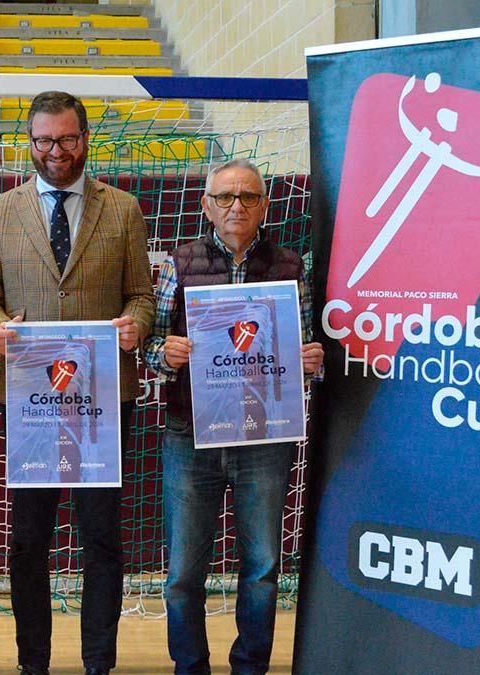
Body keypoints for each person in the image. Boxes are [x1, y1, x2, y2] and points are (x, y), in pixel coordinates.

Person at [0, 90, 156, 675]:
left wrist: (136, 325)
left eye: (67, 139)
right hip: (31, 401)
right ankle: (33, 662)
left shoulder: (123, 209)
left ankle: (99, 661)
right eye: (45, 140)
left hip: (102, 398)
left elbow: (142, 295)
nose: (56, 151)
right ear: (29, 143)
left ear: (85, 139)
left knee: (102, 537)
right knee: (29, 539)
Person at [142, 159, 324, 675]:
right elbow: (149, 346)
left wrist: (312, 360)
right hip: (190, 434)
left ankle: (250, 667)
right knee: (182, 574)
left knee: (262, 568)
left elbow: (305, 347)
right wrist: (165, 353)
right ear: (206, 206)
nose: (236, 206)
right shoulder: (178, 264)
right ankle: (190, 667)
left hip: (265, 437)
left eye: (247, 196)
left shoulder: (291, 267)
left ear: (265, 205)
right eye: (225, 197)